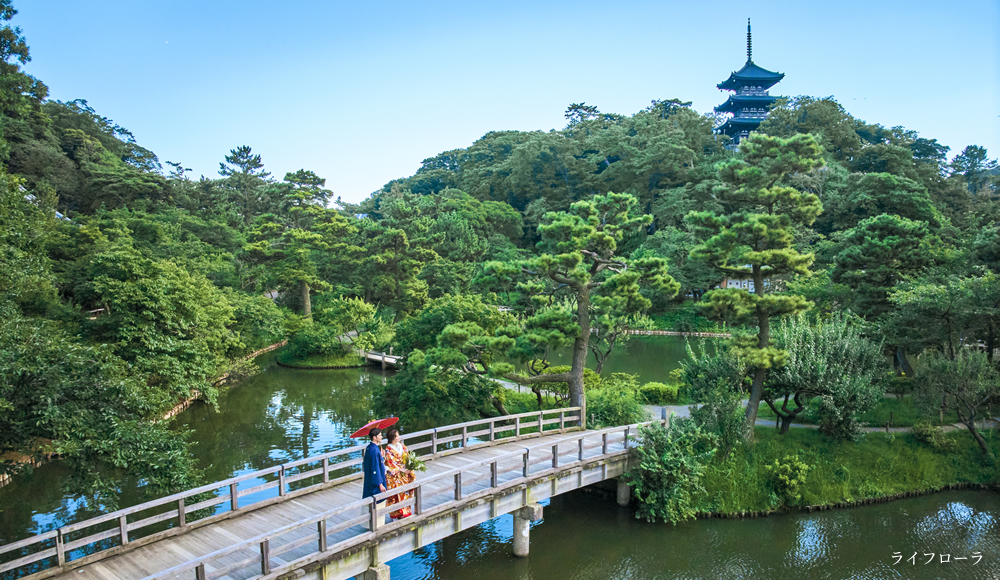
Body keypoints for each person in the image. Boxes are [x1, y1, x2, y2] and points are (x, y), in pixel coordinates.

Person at [383, 428, 415, 519]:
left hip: (404, 472)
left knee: (405, 492)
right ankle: (396, 514)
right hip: (395, 475)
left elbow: (407, 456)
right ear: (393, 438)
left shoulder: (402, 445)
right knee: (396, 495)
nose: (399, 437)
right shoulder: (388, 451)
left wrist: (409, 466)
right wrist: (401, 470)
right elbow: (391, 464)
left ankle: (405, 512)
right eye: (397, 436)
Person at [361, 428, 388, 527]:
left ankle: (372, 523)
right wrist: (380, 484)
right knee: (376, 500)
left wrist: (382, 457)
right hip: (375, 481)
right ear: (374, 437)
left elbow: (377, 463)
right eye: (380, 435)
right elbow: (374, 468)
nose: (381, 437)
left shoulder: (371, 448)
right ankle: (376, 524)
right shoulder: (373, 450)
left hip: (371, 479)